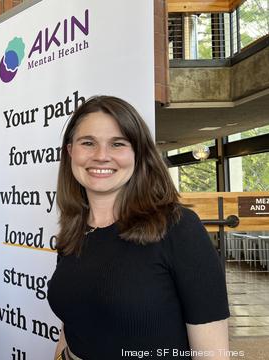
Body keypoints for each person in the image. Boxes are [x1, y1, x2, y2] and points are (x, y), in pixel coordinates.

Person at [47, 96, 230, 360]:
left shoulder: (179, 229)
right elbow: (73, 319)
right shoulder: (74, 230)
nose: (101, 156)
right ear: (70, 152)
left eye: (117, 144)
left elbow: (213, 355)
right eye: (88, 143)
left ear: (139, 153)